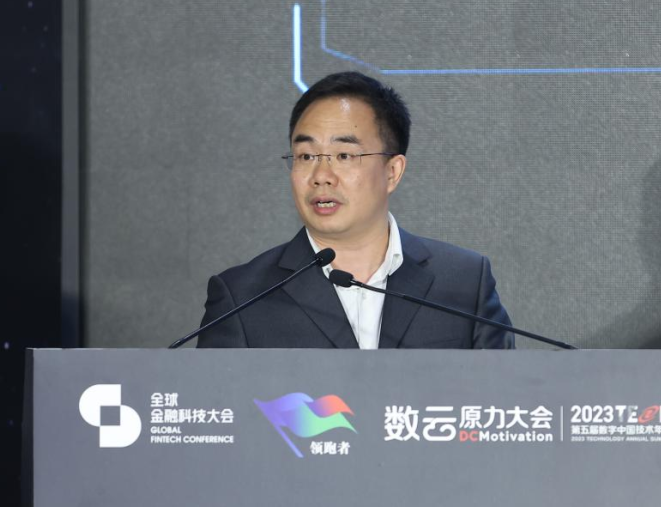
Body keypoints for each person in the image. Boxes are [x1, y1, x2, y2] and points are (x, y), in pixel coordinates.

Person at [196, 71, 514, 349]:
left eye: (344, 156)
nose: (321, 176)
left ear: (392, 172)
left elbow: (505, 393)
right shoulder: (243, 297)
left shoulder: (463, 283)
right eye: (306, 156)